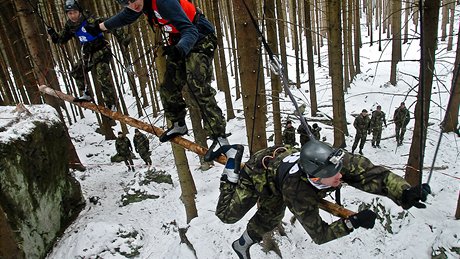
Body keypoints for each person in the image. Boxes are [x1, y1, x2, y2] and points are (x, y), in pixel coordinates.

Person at [215, 140, 431, 259]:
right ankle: (233, 161)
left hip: (281, 175)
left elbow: (373, 175)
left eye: (339, 171)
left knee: (269, 218)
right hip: (259, 172)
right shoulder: (299, 193)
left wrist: (404, 192)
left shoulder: (337, 161)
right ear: (316, 177)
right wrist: (352, 222)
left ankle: (240, 245)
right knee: (227, 215)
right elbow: (320, 235)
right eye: (334, 175)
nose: (341, 175)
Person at [89, 0, 229, 160]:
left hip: (200, 37)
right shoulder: (138, 5)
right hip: (179, 41)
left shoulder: (163, 2)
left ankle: (220, 138)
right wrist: (99, 27)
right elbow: (125, 17)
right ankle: (178, 124)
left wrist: (180, 49)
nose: (133, 6)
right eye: (126, 3)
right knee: (168, 86)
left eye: (134, 0)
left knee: (196, 85)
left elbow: (190, 30)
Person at [46, 0, 129, 110]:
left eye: (74, 12)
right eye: (70, 13)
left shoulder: (90, 19)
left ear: (79, 11)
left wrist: (123, 38)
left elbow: (110, 24)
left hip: (101, 50)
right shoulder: (70, 25)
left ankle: (111, 103)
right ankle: (86, 94)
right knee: (76, 71)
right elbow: (62, 39)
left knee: (102, 73)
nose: (73, 16)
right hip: (88, 54)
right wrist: (54, 35)